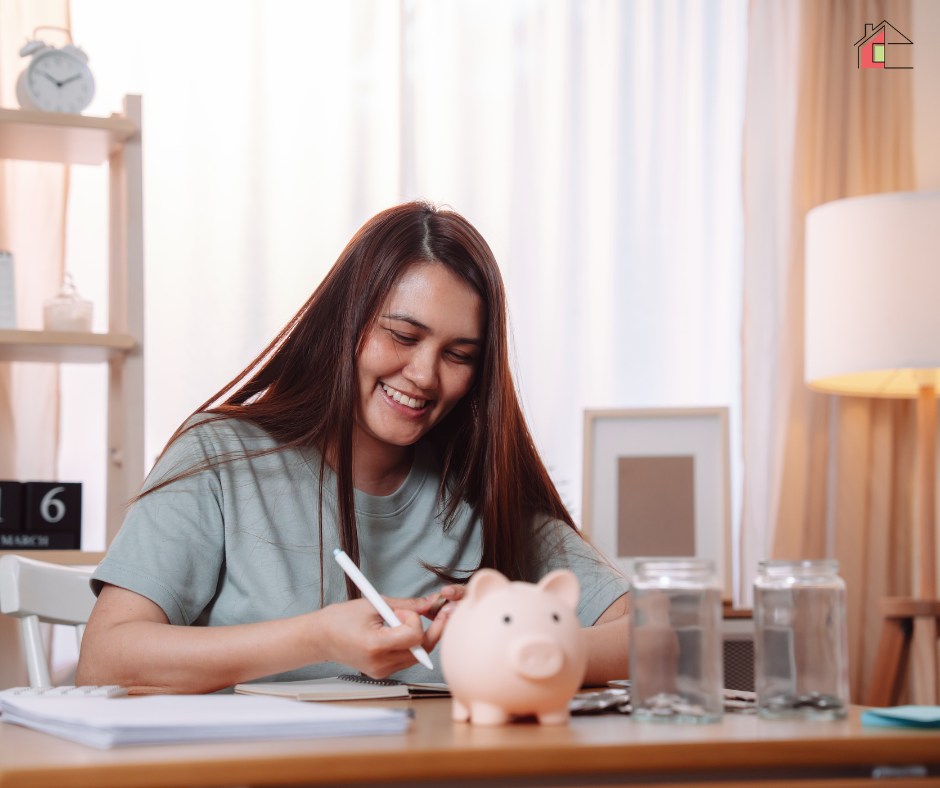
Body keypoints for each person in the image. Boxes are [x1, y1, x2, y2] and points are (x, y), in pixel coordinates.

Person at [76, 202, 630, 694]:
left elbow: (658, 640)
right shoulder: (222, 459)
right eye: (404, 336)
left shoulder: (478, 490)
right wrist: (317, 639)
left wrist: (514, 647)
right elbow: (105, 660)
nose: (424, 375)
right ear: (346, 322)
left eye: (459, 354)